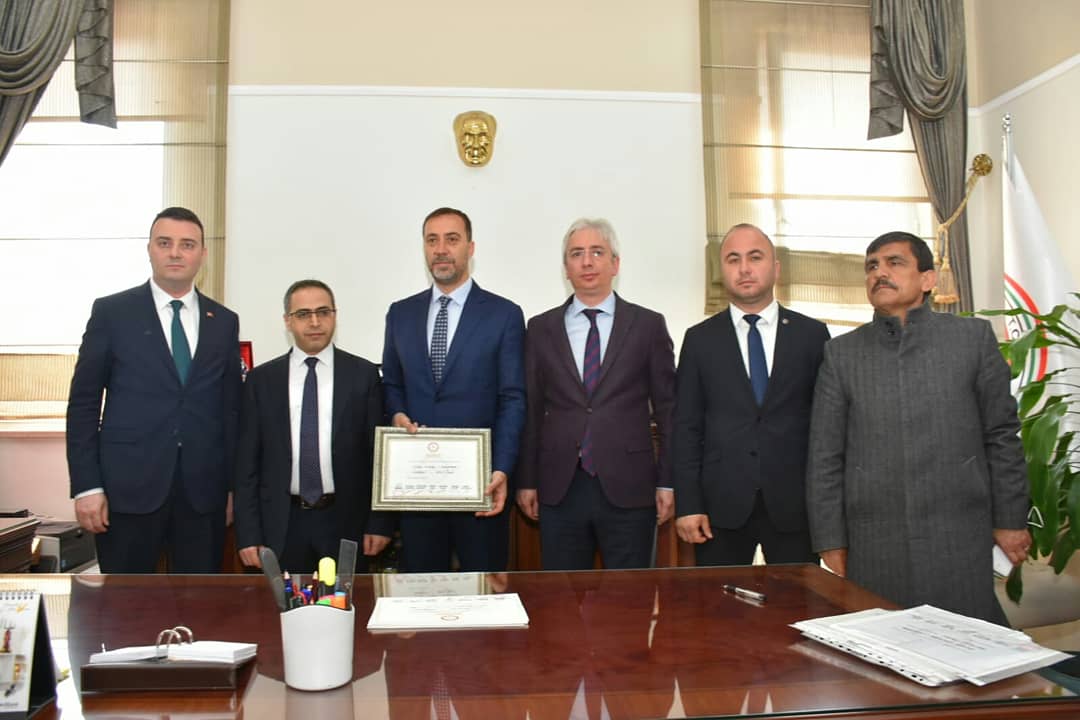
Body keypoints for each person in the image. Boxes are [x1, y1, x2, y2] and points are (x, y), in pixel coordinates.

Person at [806, 230, 1031, 623]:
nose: (879, 273)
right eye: (871, 266)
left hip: (959, 533)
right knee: (883, 649)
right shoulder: (841, 354)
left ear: (928, 279)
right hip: (874, 540)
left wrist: (1010, 520)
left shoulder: (971, 339)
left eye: (894, 263)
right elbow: (825, 454)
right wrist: (830, 540)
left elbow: (1002, 435)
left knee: (966, 644)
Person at [66, 206, 242, 573]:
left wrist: (231, 489)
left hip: (203, 498)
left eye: (187, 244)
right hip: (126, 494)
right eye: (165, 243)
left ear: (203, 254)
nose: (175, 253)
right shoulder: (112, 313)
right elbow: (83, 404)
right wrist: (87, 487)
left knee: (199, 602)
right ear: (149, 249)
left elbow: (230, 411)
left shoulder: (224, 322)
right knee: (125, 603)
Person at [516, 218, 676, 570]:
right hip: (560, 487)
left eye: (597, 252)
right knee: (561, 597)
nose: (587, 262)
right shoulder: (540, 328)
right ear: (566, 268)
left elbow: (669, 411)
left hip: (630, 487)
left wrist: (668, 482)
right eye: (577, 254)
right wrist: (526, 481)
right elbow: (531, 410)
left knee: (629, 597)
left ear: (615, 264)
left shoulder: (648, 326)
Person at [673, 223, 830, 565]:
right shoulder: (699, 340)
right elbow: (685, 428)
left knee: (797, 598)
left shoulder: (812, 335)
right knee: (718, 599)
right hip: (720, 508)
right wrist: (688, 504)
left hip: (795, 506)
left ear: (776, 268)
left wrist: (827, 507)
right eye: (733, 259)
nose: (744, 268)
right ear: (721, 271)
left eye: (755, 257)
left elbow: (826, 428)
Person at [381, 207, 526, 572]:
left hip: (480, 486)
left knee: (485, 591)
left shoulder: (504, 315)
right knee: (420, 590)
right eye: (432, 240)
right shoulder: (400, 314)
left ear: (470, 248)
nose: (441, 249)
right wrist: (397, 414)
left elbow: (512, 398)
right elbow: (392, 384)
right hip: (417, 490)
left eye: (452, 239)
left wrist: (502, 468)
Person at [233, 280, 392, 572]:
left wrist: (379, 523)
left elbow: (378, 456)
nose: (315, 322)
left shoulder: (364, 375)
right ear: (288, 321)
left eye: (323, 312)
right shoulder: (261, 381)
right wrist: (248, 534)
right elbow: (247, 465)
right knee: (282, 602)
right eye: (303, 314)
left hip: (346, 523)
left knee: (345, 602)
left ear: (335, 315)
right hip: (281, 525)